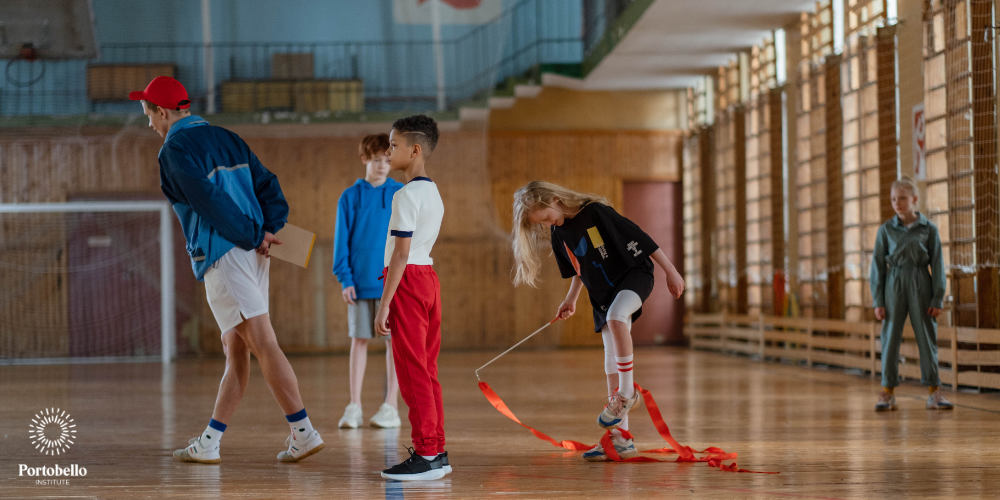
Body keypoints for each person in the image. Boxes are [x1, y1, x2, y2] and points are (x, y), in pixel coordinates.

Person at [129, 76, 324, 464]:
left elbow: (208, 201)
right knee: (235, 347)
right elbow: (268, 185)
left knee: (261, 342)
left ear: (163, 113)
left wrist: (255, 234)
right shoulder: (227, 137)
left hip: (226, 251)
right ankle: (211, 442)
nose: (149, 122)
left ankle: (304, 433)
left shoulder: (173, 149)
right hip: (253, 251)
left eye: (148, 113)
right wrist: (269, 228)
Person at [510, 181, 685, 462]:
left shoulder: (596, 212)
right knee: (609, 362)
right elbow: (580, 269)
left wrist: (671, 272)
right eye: (540, 223)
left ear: (554, 199)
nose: (547, 224)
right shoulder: (558, 234)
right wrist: (572, 299)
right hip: (602, 293)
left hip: (634, 275)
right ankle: (620, 441)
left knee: (617, 317)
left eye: (545, 217)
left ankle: (628, 393)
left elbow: (641, 238)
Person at [374, 115, 450, 481]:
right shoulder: (433, 192)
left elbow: (400, 255)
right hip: (428, 279)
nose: (388, 153)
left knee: (411, 370)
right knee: (427, 369)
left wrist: (385, 302)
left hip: (407, 280)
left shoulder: (405, 195)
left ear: (415, 150)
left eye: (393, 145)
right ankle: (437, 447)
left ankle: (426, 453)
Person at [333, 133, 404, 429]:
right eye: (376, 160)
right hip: (359, 283)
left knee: (394, 345)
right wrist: (345, 278)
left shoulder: (401, 193)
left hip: (392, 284)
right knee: (358, 341)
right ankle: (354, 406)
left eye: (387, 160)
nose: (382, 166)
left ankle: (390, 407)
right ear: (365, 160)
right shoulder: (350, 197)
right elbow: (341, 242)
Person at [870, 176, 953, 412]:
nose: (897, 203)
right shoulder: (885, 230)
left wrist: (937, 297)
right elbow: (877, 265)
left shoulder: (929, 229)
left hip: (921, 282)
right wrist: (878, 299)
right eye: (894, 199)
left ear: (914, 199)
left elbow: (937, 264)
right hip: (893, 284)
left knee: (927, 337)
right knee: (890, 337)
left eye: (903, 198)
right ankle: (887, 392)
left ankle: (934, 392)